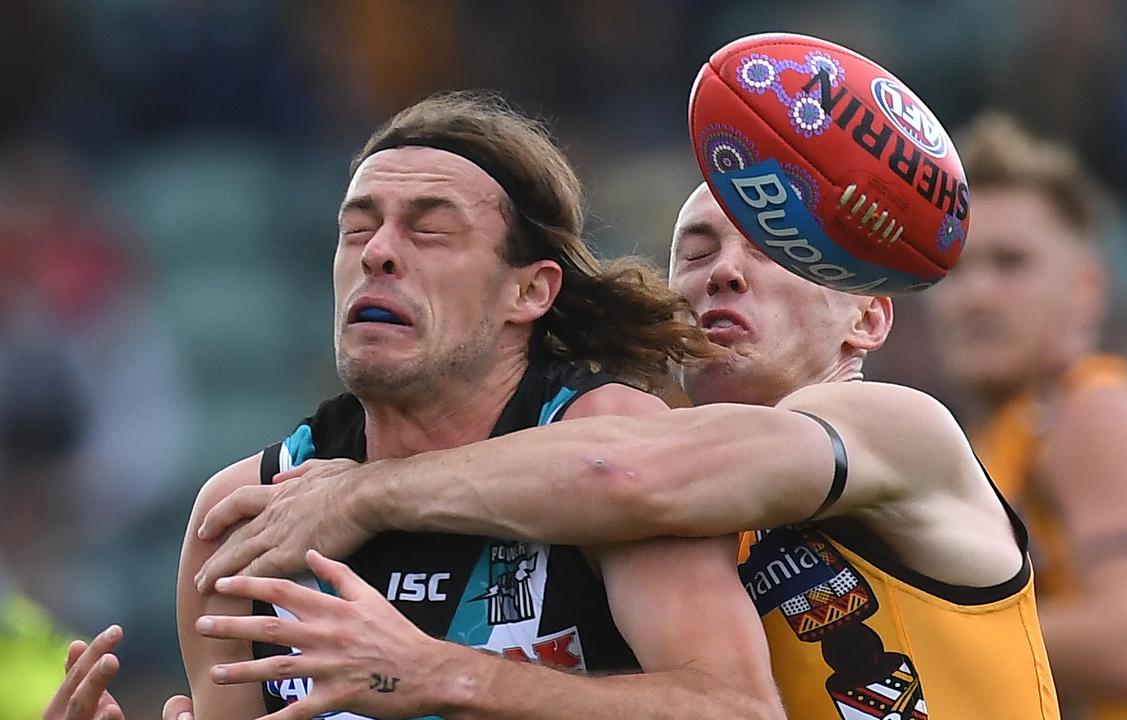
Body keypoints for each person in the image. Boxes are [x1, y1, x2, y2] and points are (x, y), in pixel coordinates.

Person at [197, 181, 1062, 719]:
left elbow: (629, 471)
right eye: (697, 249)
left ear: (868, 317)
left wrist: (364, 494)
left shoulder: (898, 428)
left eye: (771, 249)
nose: (722, 271)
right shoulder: (640, 525)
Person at [51, 91, 785, 720]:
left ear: (527, 292)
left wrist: (447, 677)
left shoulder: (613, 442)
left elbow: (741, 709)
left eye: (429, 229)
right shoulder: (242, 510)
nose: (378, 253)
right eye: (358, 227)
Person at [922, 114, 1127, 719]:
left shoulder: (1096, 412)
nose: (976, 294)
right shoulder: (1008, 431)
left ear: (1086, 288)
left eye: (1010, 264)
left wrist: (921, 635)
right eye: (955, 268)